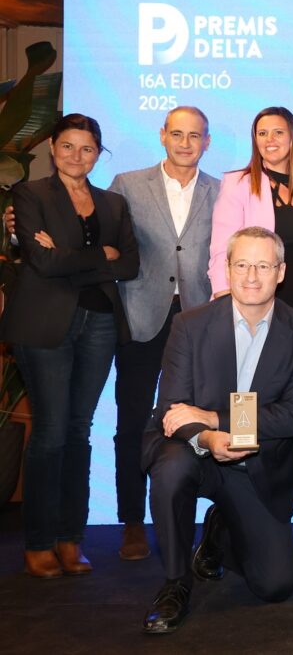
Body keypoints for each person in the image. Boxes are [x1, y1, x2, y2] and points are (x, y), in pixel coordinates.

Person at [140, 227, 293, 634]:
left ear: (281, 272)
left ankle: (220, 531)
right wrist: (207, 436)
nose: (251, 276)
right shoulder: (189, 324)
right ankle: (175, 583)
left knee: (275, 585)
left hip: (255, 465)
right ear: (227, 268)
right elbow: (171, 406)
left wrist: (214, 418)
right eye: (242, 265)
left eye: (263, 266)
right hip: (194, 450)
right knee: (171, 469)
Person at [0, 114, 139, 578]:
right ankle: (39, 541)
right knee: (51, 431)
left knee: (79, 430)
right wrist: (101, 255)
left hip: (100, 322)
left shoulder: (113, 203)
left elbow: (130, 264)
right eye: (67, 146)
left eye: (87, 148)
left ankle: (70, 537)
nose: (77, 156)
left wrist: (67, 256)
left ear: (98, 153)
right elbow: (41, 262)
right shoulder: (30, 195)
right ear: (53, 149)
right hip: (44, 325)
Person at [105, 106, 218, 561]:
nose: (185, 143)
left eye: (194, 135)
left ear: (207, 141)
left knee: (197, 419)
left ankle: (192, 521)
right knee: (132, 421)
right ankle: (133, 521)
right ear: (162, 135)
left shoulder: (221, 191)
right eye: (177, 134)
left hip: (199, 320)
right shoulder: (128, 184)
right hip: (141, 317)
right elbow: (101, 237)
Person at [208, 106, 293, 340]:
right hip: (251, 307)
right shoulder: (238, 184)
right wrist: (226, 304)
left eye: (278, 132)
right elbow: (221, 251)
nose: (269, 139)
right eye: (262, 133)